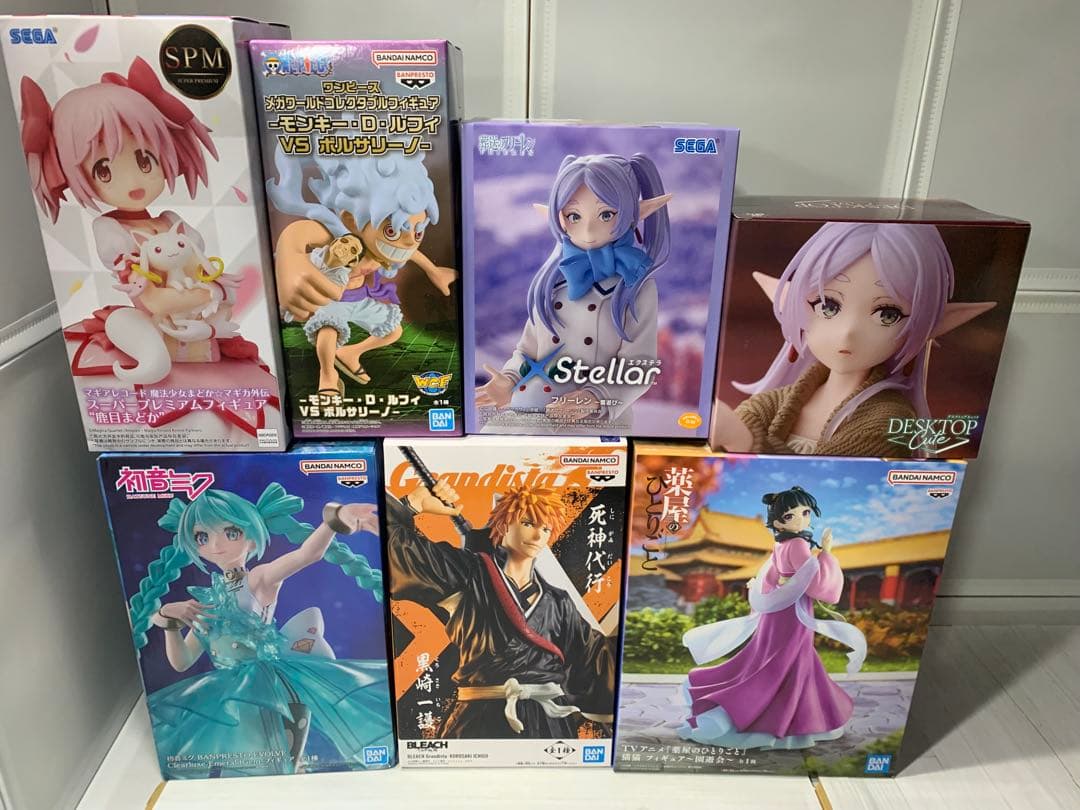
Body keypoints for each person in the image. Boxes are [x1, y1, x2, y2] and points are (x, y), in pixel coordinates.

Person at [128, 484, 389, 777]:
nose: (216, 545)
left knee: (280, 755)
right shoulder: (206, 600)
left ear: (251, 538)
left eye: (231, 533)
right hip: (229, 691)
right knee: (246, 760)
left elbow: (306, 554)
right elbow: (182, 661)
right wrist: (169, 620)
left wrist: (333, 521)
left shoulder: (258, 579)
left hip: (266, 683)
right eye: (202, 537)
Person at [711, 222, 994, 456]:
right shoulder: (773, 403)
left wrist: (743, 439)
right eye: (827, 306)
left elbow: (826, 484)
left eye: (888, 314)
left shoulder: (888, 420)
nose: (848, 331)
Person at [386, 478, 617, 738]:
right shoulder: (469, 573)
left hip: (548, 724)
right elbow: (401, 554)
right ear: (504, 524)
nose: (537, 535)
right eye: (528, 523)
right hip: (480, 718)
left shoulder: (558, 601)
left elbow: (594, 660)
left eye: (546, 528)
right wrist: (413, 503)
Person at [474, 153, 671, 431]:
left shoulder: (636, 286)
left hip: (594, 422)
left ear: (632, 213)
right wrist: (508, 380)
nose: (588, 230)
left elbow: (639, 365)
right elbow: (528, 349)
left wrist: (594, 397)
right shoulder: (551, 280)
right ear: (559, 217)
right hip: (527, 409)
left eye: (606, 214)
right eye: (574, 216)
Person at [679, 486, 866, 750]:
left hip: (777, 611)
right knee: (785, 662)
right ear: (778, 523)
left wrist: (769, 590)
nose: (801, 519)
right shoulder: (798, 545)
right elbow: (816, 585)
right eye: (791, 516)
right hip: (792, 613)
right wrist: (826, 555)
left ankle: (784, 718)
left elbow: (770, 578)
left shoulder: (781, 545)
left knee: (775, 659)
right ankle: (750, 715)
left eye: (805, 513)